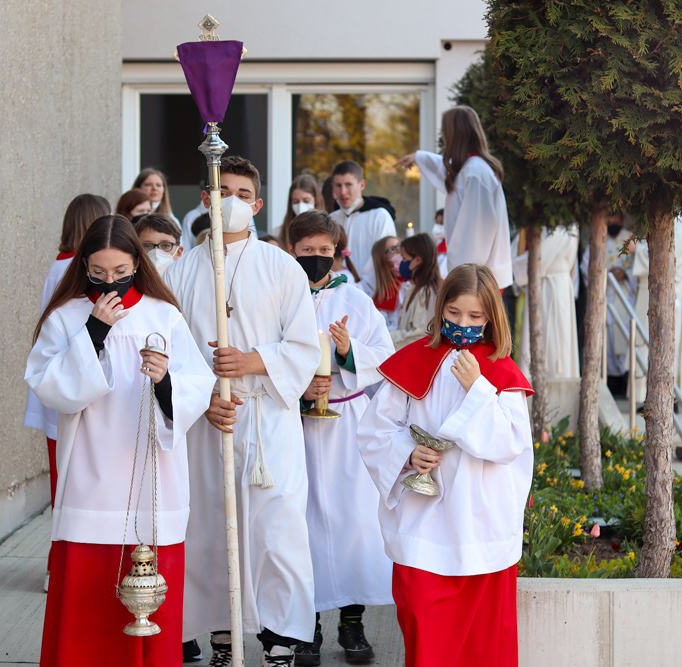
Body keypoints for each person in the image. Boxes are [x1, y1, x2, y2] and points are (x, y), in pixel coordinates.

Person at [26, 215, 216, 667]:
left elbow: (197, 386)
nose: (109, 282)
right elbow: (48, 385)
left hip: (154, 480)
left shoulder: (163, 315)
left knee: (150, 607)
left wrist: (165, 380)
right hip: (89, 478)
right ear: (84, 266)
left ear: (137, 264)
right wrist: (93, 332)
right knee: (88, 612)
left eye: (120, 271)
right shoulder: (67, 316)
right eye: (98, 272)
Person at [163, 156, 321, 667]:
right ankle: (222, 638)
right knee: (212, 529)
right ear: (204, 199)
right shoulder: (180, 272)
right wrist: (205, 397)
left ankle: (280, 640)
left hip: (267, 417)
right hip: (211, 422)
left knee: (277, 530)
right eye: (220, 191)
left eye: (241, 193)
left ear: (257, 205)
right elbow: (172, 353)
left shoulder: (281, 267)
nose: (229, 200)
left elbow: (305, 345)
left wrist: (252, 360)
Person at [358, 263, 534, 667]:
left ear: (491, 317)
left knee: (482, 645)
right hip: (424, 522)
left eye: (475, 316)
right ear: (441, 309)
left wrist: (477, 389)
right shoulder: (414, 360)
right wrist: (407, 452)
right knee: (424, 626)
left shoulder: (500, 370)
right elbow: (374, 430)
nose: (463, 324)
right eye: (454, 313)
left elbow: (511, 444)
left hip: (479, 524)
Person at [285, 211, 395, 666]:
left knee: (355, 523)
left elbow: (385, 358)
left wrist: (349, 352)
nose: (316, 258)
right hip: (294, 424)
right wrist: (298, 389)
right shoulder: (281, 295)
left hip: (347, 421)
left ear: (336, 252)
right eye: (307, 250)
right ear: (291, 250)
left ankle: (352, 622)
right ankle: (306, 627)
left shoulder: (356, 299)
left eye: (324, 251)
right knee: (301, 524)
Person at [23, 193, 110, 592]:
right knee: (70, 487)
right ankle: (59, 568)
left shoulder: (59, 266)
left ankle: (62, 566)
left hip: (72, 382)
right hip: (71, 381)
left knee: (66, 485)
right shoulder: (71, 271)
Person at [396, 106, 512, 289]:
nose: (443, 137)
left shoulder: (476, 172)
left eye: (444, 131)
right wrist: (418, 157)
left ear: (453, 134)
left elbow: (477, 232)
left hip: (477, 280)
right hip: (474, 275)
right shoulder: (469, 168)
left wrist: (464, 278)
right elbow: (446, 171)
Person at [631, 215, 682, 402]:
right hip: (651, 287)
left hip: (668, 288)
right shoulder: (667, 217)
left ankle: (667, 397)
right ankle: (646, 395)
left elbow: (667, 257)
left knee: (666, 344)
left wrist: (637, 249)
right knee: (646, 341)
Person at [512, 227, 581, 379]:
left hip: (551, 287)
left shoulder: (564, 224)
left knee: (556, 345)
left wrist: (515, 266)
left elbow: (541, 256)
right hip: (547, 283)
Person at [581, 212, 636, 397]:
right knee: (607, 337)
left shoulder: (630, 238)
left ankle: (625, 378)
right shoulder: (599, 239)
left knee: (627, 334)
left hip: (625, 295)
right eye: (610, 217)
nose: (614, 221)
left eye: (617, 217)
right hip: (606, 295)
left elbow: (640, 264)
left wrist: (626, 274)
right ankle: (611, 380)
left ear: (622, 219)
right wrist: (607, 274)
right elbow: (586, 267)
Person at [329, 161, 397, 297]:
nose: (343, 192)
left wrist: (361, 291)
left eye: (348, 185)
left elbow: (383, 258)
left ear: (362, 185)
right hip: (338, 294)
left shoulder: (379, 216)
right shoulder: (331, 219)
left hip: (373, 295)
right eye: (338, 185)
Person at [390, 234, 440, 350]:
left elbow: (420, 334)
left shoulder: (426, 292)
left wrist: (388, 336)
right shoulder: (416, 286)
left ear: (418, 260)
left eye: (404, 259)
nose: (402, 263)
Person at [273, 175, 325, 247]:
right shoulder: (278, 233)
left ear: (316, 200)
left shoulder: (327, 231)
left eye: (306, 201)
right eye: (296, 202)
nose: (300, 206)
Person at [134, 213, 183, 277]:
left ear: (178, 252)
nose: (156, 253)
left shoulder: (187, 282)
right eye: (147, 245)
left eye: (165, 245)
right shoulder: (129, 282)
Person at [371, 236, 404, 330]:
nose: (399, 251)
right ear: (383, 259)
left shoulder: (414, 282)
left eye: (400, 246)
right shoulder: (382, 293)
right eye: (392, 249)